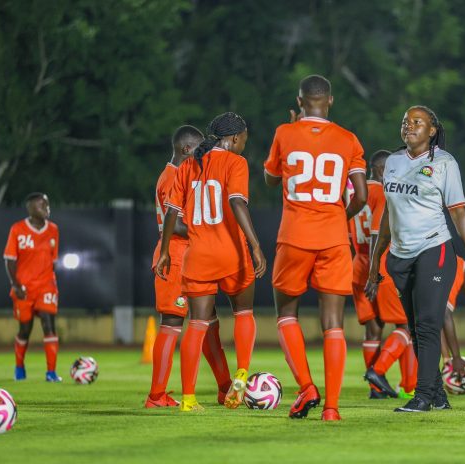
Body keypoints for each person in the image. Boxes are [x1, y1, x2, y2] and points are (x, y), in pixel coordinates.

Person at [365, 105, 465, 412]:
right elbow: (387, 217)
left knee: (429, 325)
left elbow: (458, 211)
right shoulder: (392, 162)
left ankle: (421, 397)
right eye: (405, 122)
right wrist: (374, 262)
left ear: (432, 130)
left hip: (435, 250)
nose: (409, 126)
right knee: (417, 329)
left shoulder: (445, 163)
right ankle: (438, 395)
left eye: (417, 122)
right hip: (399, 257)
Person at [264, 74, 367, 421]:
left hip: (294, 235)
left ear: (300, 101)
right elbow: (362, 195)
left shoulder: (284, 133)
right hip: (334, 239)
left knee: (286, 314)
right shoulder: (349, 139)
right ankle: (332, 409)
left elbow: (270, 178)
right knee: (333, 323)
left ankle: (307, 386)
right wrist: (340, 216)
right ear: (330, 101)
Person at [156, 112, 266, 411]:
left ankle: (189, 399)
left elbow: (170, 213)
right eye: (243, 138)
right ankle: (241, 374)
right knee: (243, 312)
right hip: (231, 252)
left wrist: (165, 251)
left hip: (198, 255)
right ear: (232, 139)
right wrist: (255, 245)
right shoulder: (236, 162)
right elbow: (236, 202)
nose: (244, 143)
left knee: (197, 324)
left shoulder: (188, 165)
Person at [145, 125, 233, 408]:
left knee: (208, 324)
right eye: (197, 150)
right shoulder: (172, 176)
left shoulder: (181, 174)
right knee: (172, 323)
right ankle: (157, 395)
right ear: (185, 149)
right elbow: (177, 222)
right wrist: (208, 226)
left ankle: (225, 387)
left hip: (195, 257)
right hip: (176, 256)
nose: (202, 156)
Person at [350, 150, 417, 400]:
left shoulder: (354, 195)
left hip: (357, 266)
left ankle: (376, 391)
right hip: (381, 269)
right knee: (406, 325)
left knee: (373, 329)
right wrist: (374, 273)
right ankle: (378, 372)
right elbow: (379, 233)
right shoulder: (382, 193)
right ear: (381, 170)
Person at [3, 192, 62, 382]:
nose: (46, 207)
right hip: (24, 288)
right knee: (25, 330)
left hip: (46, 285)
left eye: (47, 203)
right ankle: (19, 367)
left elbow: (53, 261)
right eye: (41, 204)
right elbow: (10, 259)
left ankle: (51, 373)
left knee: (49, 325)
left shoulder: (53, 229)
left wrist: (50, 281)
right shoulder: (18, 229)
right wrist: (16, 284)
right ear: (30, 208)